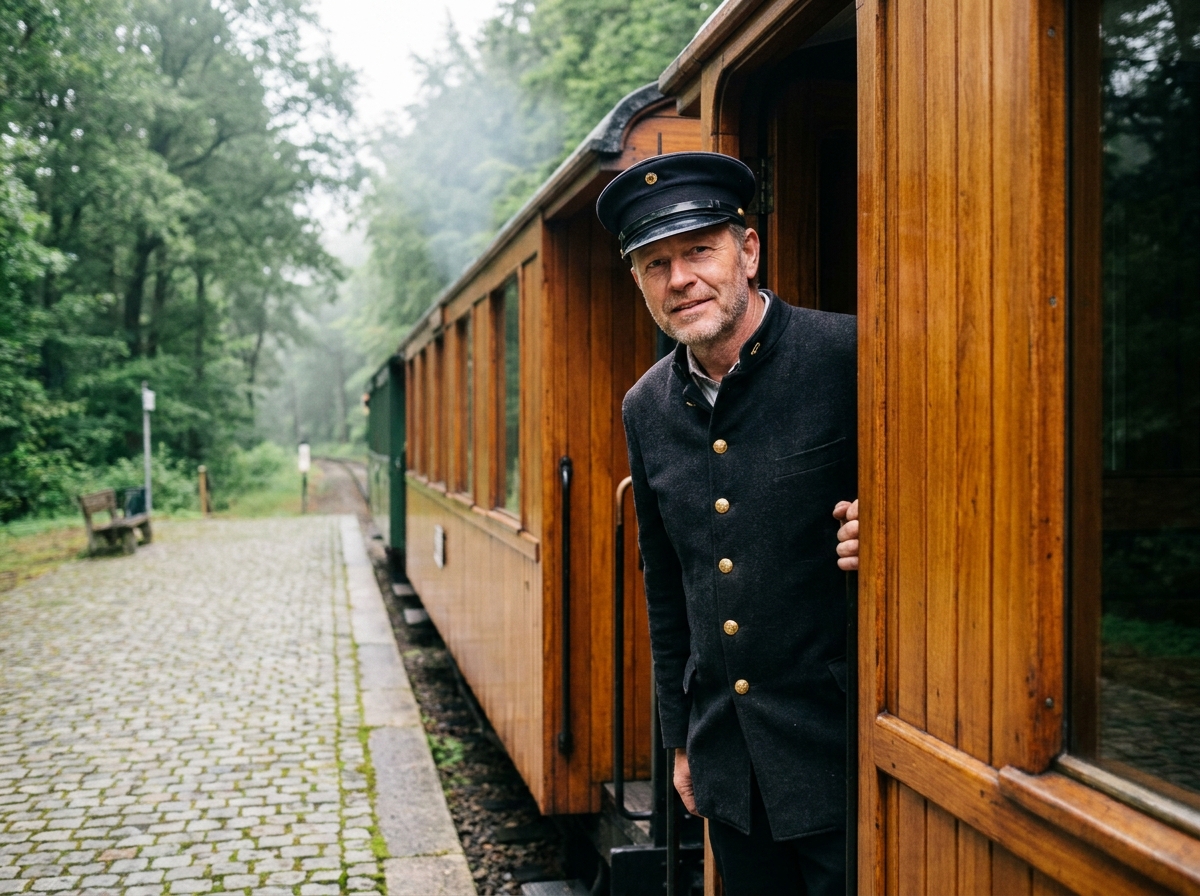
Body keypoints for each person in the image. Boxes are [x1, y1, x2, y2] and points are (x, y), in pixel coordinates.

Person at [596, 151, 860, 896]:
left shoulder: (849, 354)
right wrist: (681, 740)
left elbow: (948, 501)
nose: (679, 279)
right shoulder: (645, 407)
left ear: (748, 250)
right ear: (641, 284)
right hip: (728, 764)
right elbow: (666, 586)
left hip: (842, 748)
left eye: (698, 251)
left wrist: (899, 532)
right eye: (654, 263)